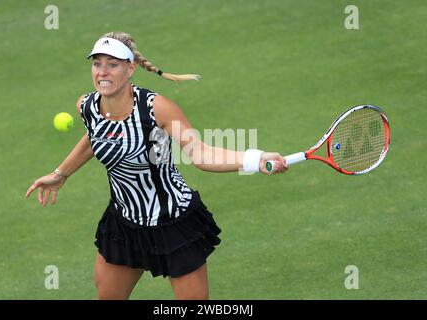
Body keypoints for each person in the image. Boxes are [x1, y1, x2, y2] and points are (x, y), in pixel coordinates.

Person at [25, 32, 288, 300]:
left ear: (130, 68)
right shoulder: (88, 106)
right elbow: (95, 138)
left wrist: (256, 159)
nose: (102, 72)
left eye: (112, 64)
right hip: (124, 224)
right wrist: (61, 173)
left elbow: (200, 154)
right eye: (97, 63)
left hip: (172, 222)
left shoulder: (157, 108)